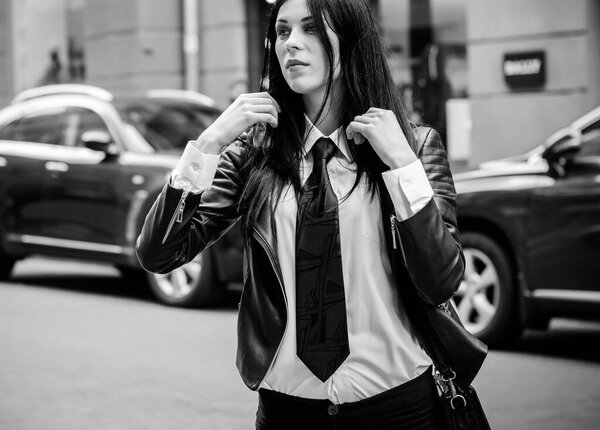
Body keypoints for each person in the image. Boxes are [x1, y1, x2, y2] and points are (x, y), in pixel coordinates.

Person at [136, 0, 464, 428]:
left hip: (399, 410)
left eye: (311, 29)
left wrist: (403, 166)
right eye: (283, 31)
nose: (292, 44)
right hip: (287, 414)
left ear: (350, 40)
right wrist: (209, 144)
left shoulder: (413, 148)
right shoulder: (254, 155)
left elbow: (441, 279)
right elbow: (159, 253)